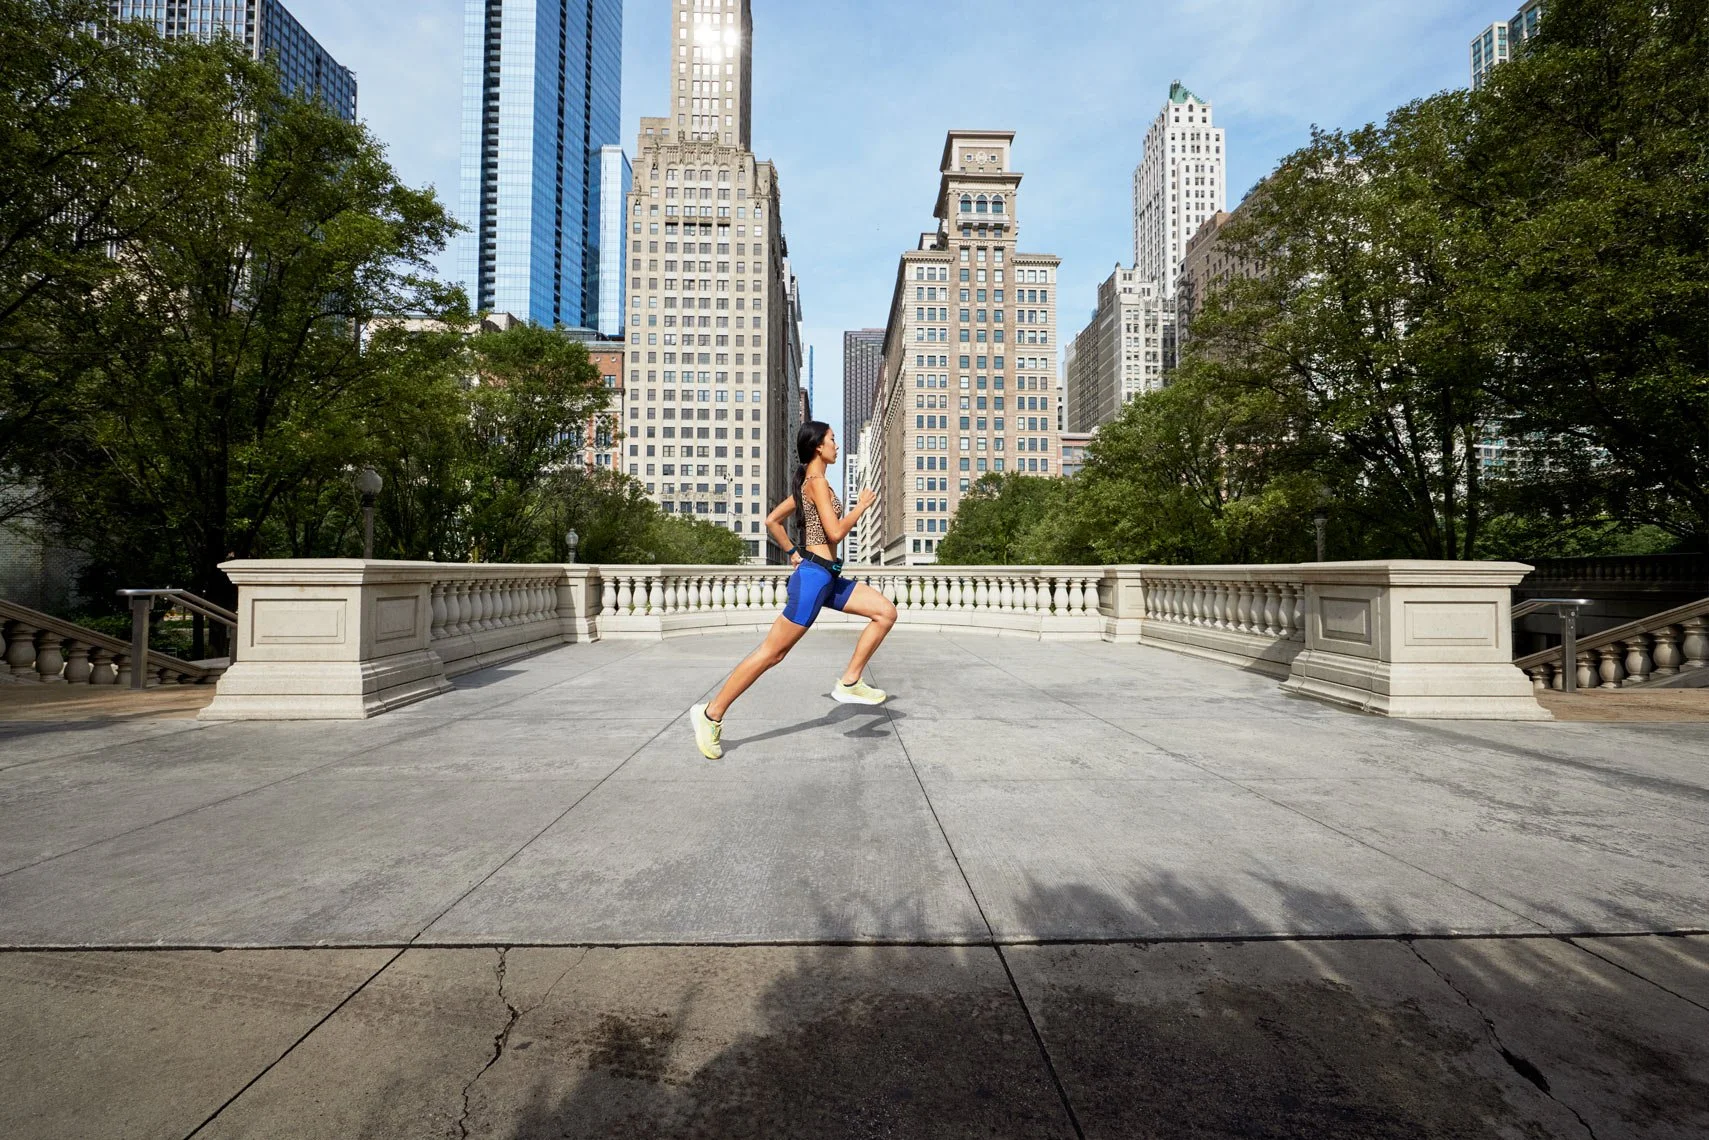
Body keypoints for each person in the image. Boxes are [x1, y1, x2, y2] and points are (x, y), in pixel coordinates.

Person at [691, 421, 898, 759]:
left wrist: (791, 552)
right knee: (772, 653)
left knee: (885, 612)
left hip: (827, 576)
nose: (836, 444)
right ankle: (711, 713)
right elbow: (833, 535)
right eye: (832, 439)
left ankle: (849, 681)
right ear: (818, 445)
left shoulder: (811, 485)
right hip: (813, 578)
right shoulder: (815, 482)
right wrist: (861, 506)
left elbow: (773, 519)